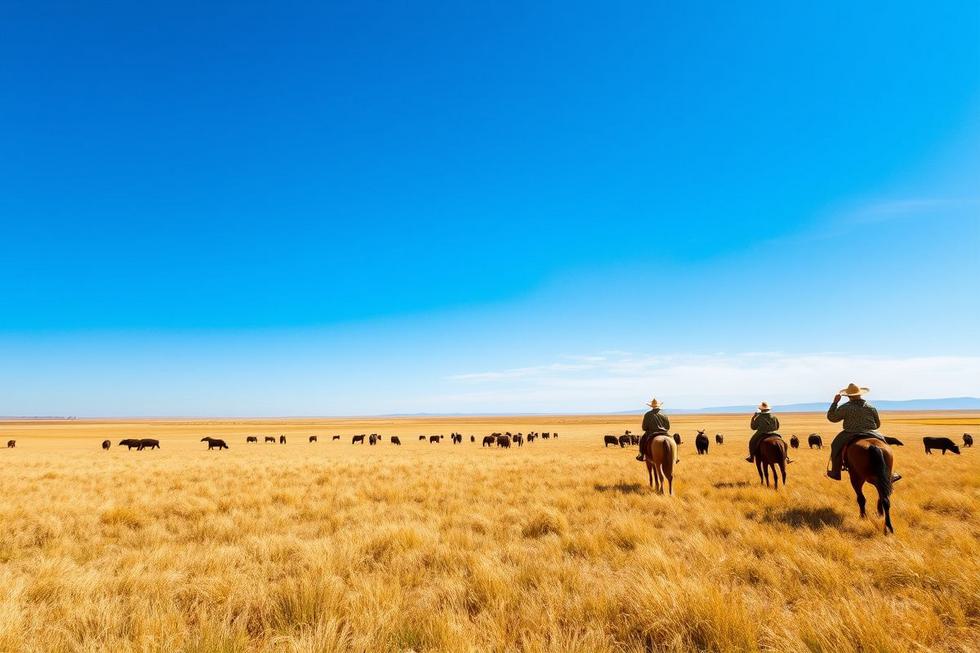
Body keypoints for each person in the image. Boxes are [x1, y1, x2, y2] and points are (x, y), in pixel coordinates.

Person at [826, 383, 901, 482]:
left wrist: (835, 403)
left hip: (850, 433)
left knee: (835, 445)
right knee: (884, 444)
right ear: (860, 394)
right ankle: (890, 474)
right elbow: (877, 424)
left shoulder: (845, 407)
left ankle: (835, 472)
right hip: (871, 432)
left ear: (848, 396)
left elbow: (832, 418)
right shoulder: (870, 407)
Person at [637, 397, 670, 462]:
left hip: (651, 433)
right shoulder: (664, 414)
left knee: (642, 440)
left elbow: (644, 427)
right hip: (664, 433)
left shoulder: (647, 414)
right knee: (672, 440)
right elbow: (668, 427)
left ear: (651, 406)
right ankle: (676, 457)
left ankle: (641, 455)